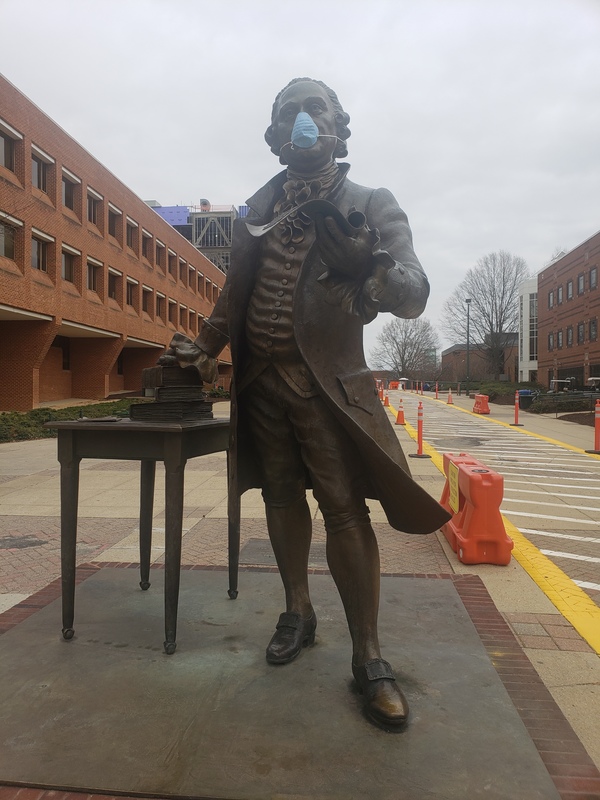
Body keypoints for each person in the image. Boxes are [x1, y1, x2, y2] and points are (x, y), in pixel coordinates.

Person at [160, 78, 450, 729]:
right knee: (280, 496)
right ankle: (298, 609)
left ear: (338, 127)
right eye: (288, 113)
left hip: (327, 387)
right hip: (260, 383)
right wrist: (205, 347)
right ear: (275, 135)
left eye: (313, 109)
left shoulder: (369, 202)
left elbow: (414, 291)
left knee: (344, 509)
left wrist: (371, 267)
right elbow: (235, 291)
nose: (302, 122)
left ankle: (368, 655)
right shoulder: (257, 208)